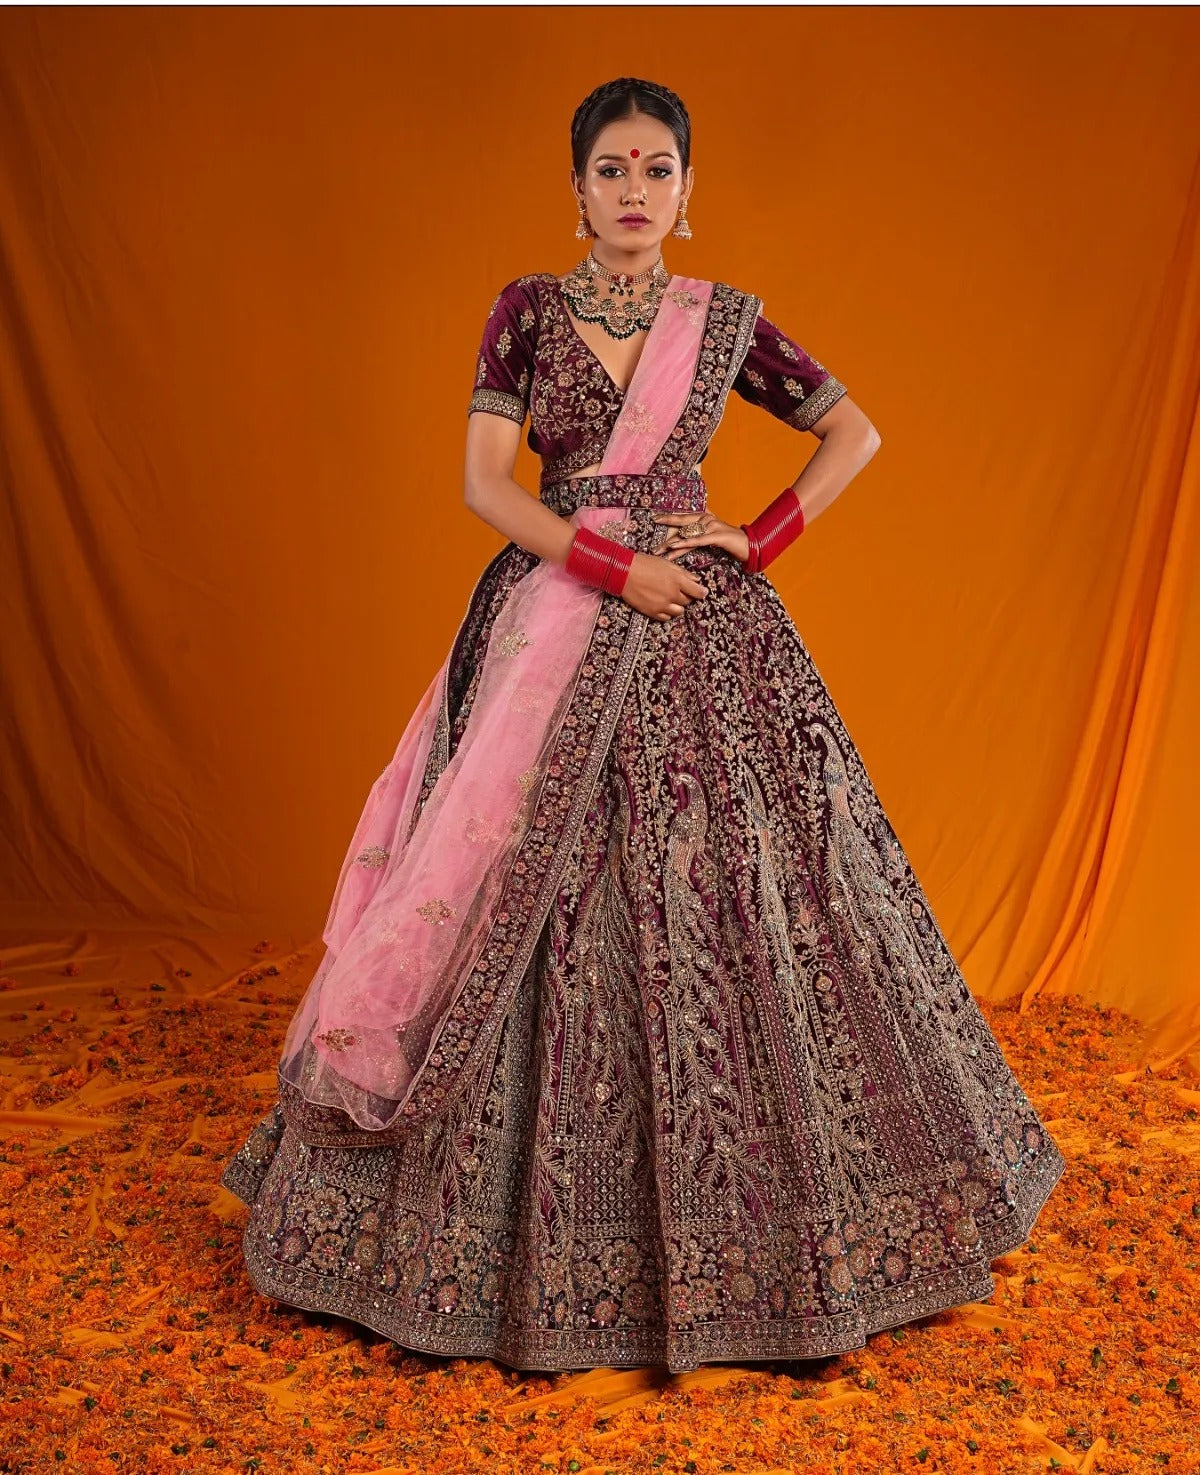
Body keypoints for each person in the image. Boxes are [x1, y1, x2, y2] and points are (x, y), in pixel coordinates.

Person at [220, 76, 1065, 1375]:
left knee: (744, 886)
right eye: (610, 169)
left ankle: (776, 1224)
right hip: (559, 607)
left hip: (704, 624)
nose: (633, 190)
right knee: (517, 878)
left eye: (656, 169)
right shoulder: (526, 311)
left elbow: (855, 431)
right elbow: (484, 484)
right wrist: (616, 569)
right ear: (577, 188)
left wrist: (758, 539)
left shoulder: (725, 320)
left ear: (686, 188)